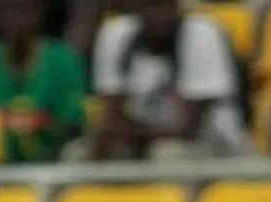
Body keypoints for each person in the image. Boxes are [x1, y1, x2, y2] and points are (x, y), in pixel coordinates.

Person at [88, 0, 243, 161]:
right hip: (143, 136)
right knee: (78, 153)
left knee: (165, 154)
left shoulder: (202, 33)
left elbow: (189, 129)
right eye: (151, 5)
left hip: (213, 145)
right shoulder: (116, 34)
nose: (159, 15)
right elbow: (112, 112)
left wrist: (127, 134)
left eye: (166, 6)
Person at [0, 0, 82, 163]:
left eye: (24, 9)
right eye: (8, 10)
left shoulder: (64, 61)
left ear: (39, 11)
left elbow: (72, 126)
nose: (16, 19)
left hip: (52, 167)